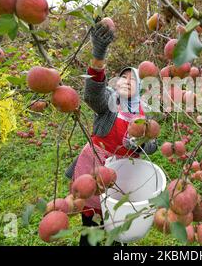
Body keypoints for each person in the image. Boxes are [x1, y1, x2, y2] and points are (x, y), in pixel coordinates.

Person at [65, 21, 158, 246]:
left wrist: (142, 143)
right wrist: (99, 53)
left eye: (132, 78)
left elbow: (154, 144)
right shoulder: (109, 101)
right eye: (123, 77)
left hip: (122, 175)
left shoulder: (144, 111)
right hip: (95, 166)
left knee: (117, 221)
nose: (127, 81)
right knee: (92, 223)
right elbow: (92, 94)